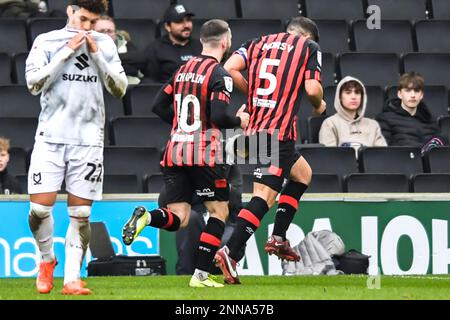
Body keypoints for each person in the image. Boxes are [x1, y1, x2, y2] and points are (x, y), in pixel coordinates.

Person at [121, 19, 249, 288]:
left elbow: (158, 105)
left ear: (202, 41)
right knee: (218, 212)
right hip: (204, 154)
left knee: (179, 218)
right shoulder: (220, 74)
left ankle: (147, 217)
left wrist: (182, 124)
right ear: (225, 43)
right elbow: (220, 116)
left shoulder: (182, 70)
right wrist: (241, 120)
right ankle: (200, 276)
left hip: (174, 151)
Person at [214, 16, 326, 284]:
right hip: (278, 133)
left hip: (255, 128)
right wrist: (320, 105)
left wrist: (255, 97)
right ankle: (230, 252)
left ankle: (278, 237)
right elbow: (312, 89)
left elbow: (228, 68)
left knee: (302, 174)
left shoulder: (259, 42)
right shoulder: (308, 47)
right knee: (264, 196)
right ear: (307, 37)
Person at [25, 0, 127, 295]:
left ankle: (71, 278)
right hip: (51, 137)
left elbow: (119, 89)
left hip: (88, 140)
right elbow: (33, 84)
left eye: (92, 22)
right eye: (83, 19)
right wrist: (68, 50)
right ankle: (47, 261)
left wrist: (97, 56)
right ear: (70, 11)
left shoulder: (104, 44)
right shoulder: (46, 41)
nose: (87, 27)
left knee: (81, 214)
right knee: (39, 209)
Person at [376, 72, 447, 149]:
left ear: (421, 95)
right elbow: (386, 151)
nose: (413, 95)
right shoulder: (385, 119)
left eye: (416, 91)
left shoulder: (430, 119)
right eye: (408, 91)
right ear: (399, 94)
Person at [319, 76, 387, 153]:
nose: (353, 97)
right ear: (339, 97)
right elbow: (330, 157)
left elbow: (382, 155)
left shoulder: (373, 125)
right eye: (348, 92)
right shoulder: (330, 123)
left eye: (357, 92)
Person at [141, 3, 201, 84]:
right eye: (180, 21)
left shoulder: (200, 46)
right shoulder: (155, 49)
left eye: (188, 20)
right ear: (167, 26)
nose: (186, 25)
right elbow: (150, 81)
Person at [94, 15, 145, 85]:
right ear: (93, 32)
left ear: (115, 33)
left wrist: (109, 59)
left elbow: (136, 63)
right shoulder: (85, 46)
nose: (106, 35)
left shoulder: (125, 43)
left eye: (109, 31)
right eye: (101, 31)